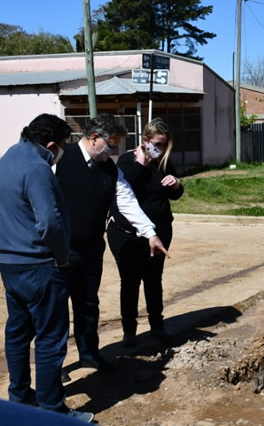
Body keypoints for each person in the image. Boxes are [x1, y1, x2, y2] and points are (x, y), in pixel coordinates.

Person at [0, 114, 94, 422]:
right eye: (61, 146)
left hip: (9, 263)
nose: (60, 152)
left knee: (18, 333)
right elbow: (49, 221)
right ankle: (53, 410)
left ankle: (21, 397)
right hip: (39, 265)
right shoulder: (37, 168)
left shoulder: (8, 157)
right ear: (51, 145)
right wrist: (62, 256)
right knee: (50, 338)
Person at [54, 114, 168, 374]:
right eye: (111, 145)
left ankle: (89, 354)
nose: (113, 152)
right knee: (58, 309)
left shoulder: (109, 169)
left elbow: (127, 201)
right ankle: (56, 365)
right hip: (60, 249)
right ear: (94, 139)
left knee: (88, 304)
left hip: (92, 247)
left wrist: (149, 232)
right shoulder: (61, 158)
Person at [107, 118, 183, 345]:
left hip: (159, 232)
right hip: (127, 233)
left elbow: (173, 194)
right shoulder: (125, 161)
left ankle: (157, 325)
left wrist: (177, 185)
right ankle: (129, 330)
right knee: (129, 281)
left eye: (163, 145)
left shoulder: (164, 162)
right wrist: (140, 161)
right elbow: (126, 189)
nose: (159, 149)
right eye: (156, 144)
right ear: (144, 140)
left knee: (153, 279)